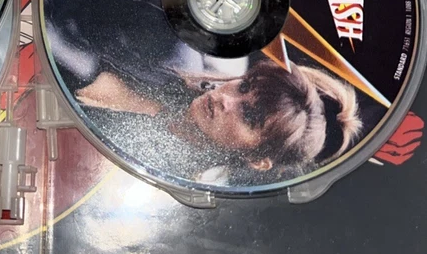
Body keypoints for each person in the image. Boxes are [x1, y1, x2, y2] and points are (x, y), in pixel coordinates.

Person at [76, 57, 362, 177]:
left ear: (258, 160)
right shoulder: (172, 60)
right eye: (244, 86)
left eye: (249, 116)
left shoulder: (178, 182)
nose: (226, 99)